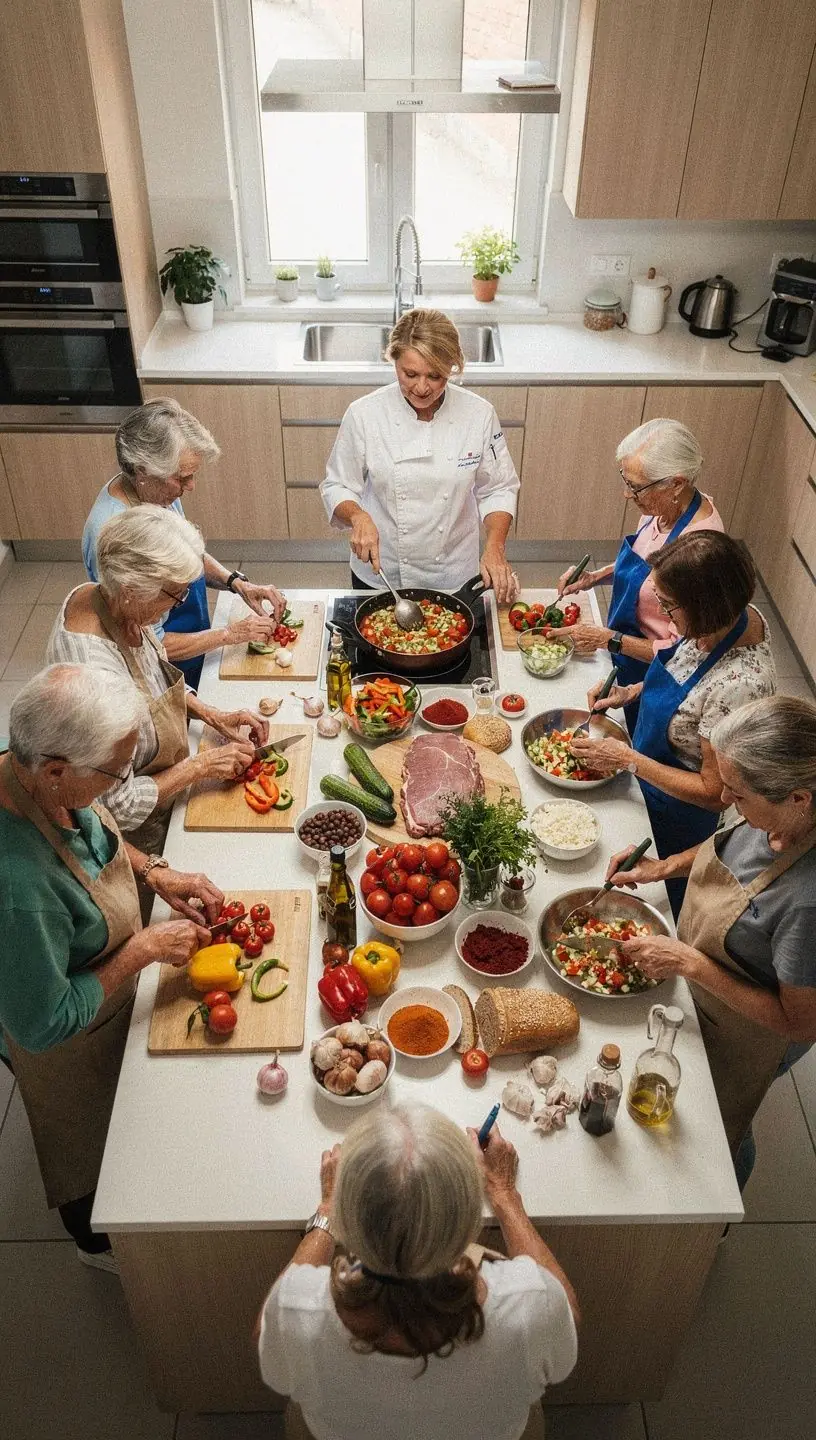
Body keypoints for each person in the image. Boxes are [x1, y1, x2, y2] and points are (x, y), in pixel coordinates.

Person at [0, 665, 221, 1268]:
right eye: (115, 773)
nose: (122, 782)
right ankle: (93, 1242)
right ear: (55, 770)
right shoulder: (20, 888)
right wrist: (143, 949)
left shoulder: (32, 772)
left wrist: (154, 871)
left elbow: (94, 826)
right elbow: (44, 1023)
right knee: (86, 1139)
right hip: (54, 1033)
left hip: (92, 971)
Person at [257, 1105, 578, 1440]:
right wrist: (504, 1194)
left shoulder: (298, 1310)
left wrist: (327, 1210)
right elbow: (567, 1315)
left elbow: (267, 1340)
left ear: (348, 1221)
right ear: (468, 1224)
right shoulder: (529, 1306)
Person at [605, 696, 816, 1190]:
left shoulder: (806, 901)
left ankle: (715, 1215)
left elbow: (801, 1023)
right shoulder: (773, 812)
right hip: (697, 989)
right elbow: (728, 846)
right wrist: (663, 866)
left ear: (798, 799)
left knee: (718, 1130)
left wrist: (691, 964)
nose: (724, 800)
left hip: (750, 1031)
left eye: (738, 796)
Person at [570, 530, 776, 917]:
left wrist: (628, 760)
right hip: (646, 783)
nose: (664, 617)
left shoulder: (739, 686)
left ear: (703, 608)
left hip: (681, 817)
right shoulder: (720, 619)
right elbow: (683, 673)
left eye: (668, 607)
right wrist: (631, 692)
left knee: (653, 907)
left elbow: (714, 792)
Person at [48, 505, 267, 845]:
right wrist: (201, 766)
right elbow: (117, 807)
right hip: (139, 828)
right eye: (174, 595)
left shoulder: (118, 602)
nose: (179, 603)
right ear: (132, 590)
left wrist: (211, 714)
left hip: (168, 777)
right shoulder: (93, 677)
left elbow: (152, 679)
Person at [82, 397, 286, 686]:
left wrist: (236, 583)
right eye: (182, 478)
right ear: (143, 470)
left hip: (193, 640)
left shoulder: (154, 492)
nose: (190, 486)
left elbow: (189, 553)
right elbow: (148, 643)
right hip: (161, 668)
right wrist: (230, 634)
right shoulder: (113, 532)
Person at [319, 309, 520, 601]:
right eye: (410, 374)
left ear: (452, 366)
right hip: (382, 571)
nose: (422, 388)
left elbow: (498, 488)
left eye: (435, 376)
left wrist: (495, 547)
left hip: (453, 573)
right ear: (393, 361)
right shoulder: (365, 414)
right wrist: (357, 516)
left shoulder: (479, 414)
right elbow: (337, 485)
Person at [554, 419, 724, 728]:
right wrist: (595, 577)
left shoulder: (699, 551)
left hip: (655, 671)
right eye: (626, 480)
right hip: (623, 652)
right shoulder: (661, 509)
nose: (626, 494)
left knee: (638, 739)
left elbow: (682, 651)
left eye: (635, 486)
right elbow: (644, 569)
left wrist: (608, 639)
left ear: (676, 483)